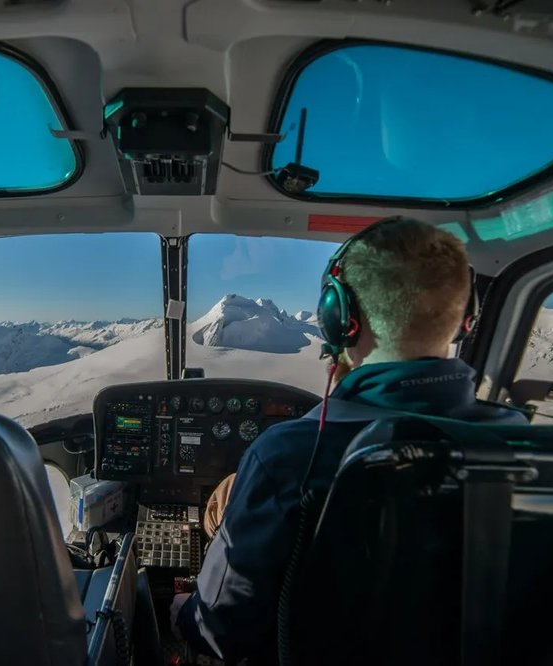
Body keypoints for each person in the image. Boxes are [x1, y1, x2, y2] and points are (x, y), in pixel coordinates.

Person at [171, 217, 529, 663]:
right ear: (467, 318)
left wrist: (182, 611)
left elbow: (220, 633)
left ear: (339, 318)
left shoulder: (290, 455)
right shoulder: (524, 449)